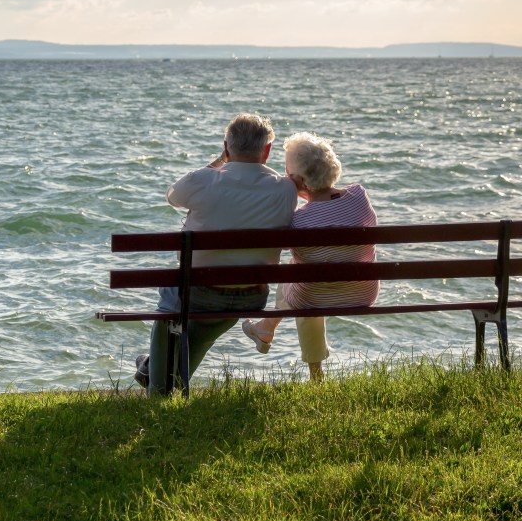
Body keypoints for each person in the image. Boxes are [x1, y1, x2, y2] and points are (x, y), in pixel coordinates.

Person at [135, 113, 297, 396]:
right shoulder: (285, 189)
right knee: (216, 313)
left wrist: (220, 162)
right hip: (252, 294)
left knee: (169, 307)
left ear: (226, 146)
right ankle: (154, 372)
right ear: (267, 150)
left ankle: (156, 383)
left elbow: (172, 196)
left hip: (197, 293)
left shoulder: (204, 180)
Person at [241, 131, 379, 381]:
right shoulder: (359, 196)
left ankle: (276, 338)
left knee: (298, 277)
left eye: (286, 172)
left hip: (313, 297)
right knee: (305, 274)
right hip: (363, 292)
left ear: (299, 181)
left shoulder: (299, 221)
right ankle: (265, 329)